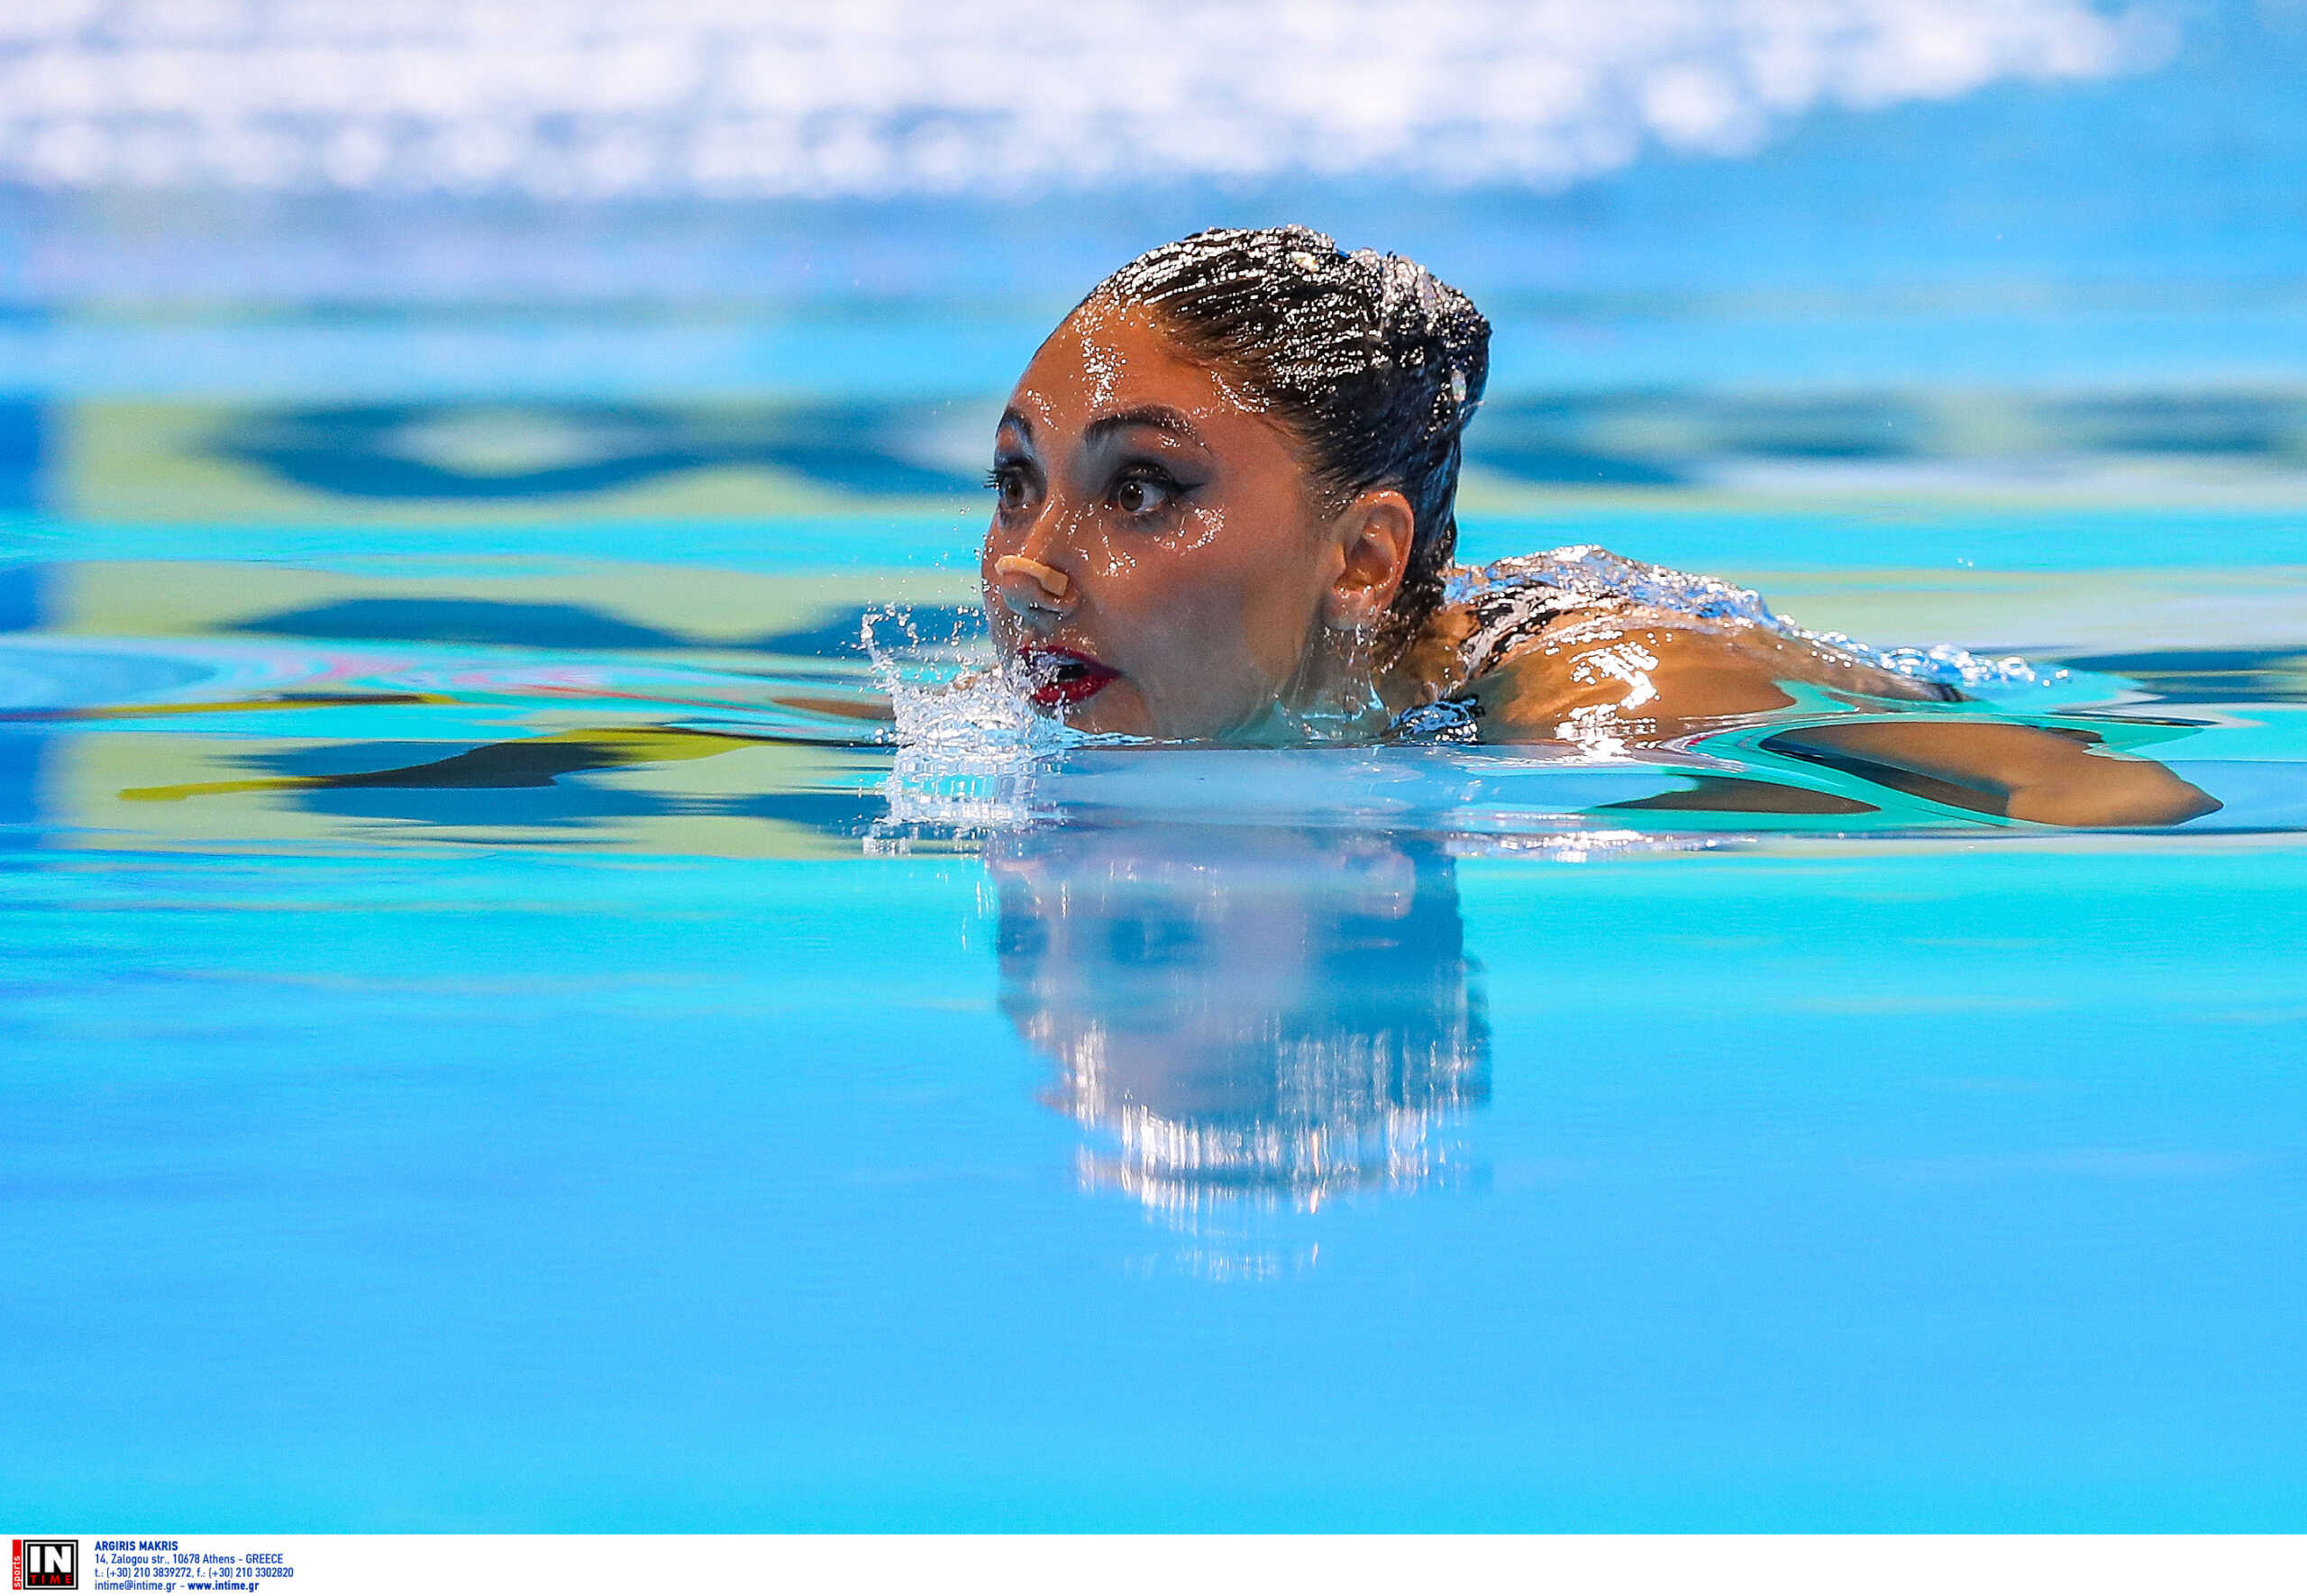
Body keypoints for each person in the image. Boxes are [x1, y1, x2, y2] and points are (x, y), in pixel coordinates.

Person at [980, 225, 2219, 828]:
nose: (1027, 570)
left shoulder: (1608, 708)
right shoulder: (1148, 689)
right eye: (1017, 482)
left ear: (1362, 562)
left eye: (1140, 491)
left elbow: (2130, 800)